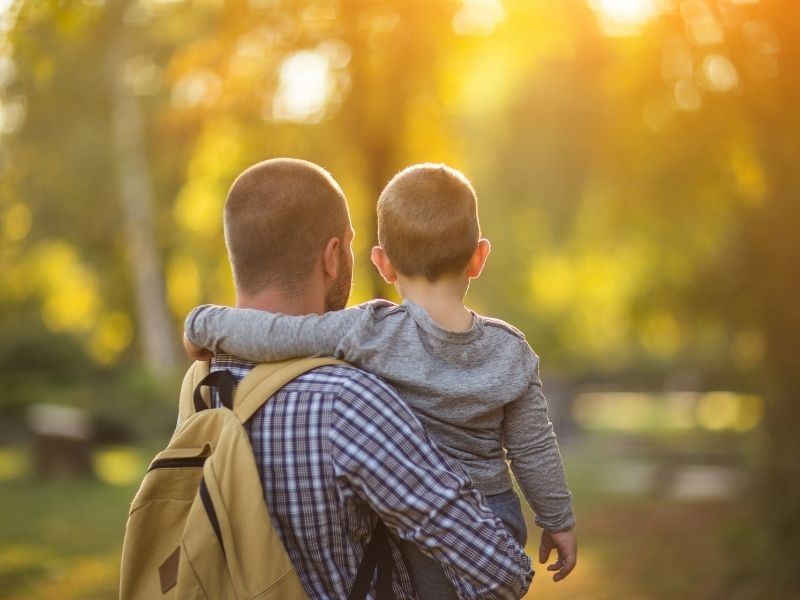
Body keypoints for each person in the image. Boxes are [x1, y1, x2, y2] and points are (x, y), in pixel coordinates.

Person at [185, 163, 577, 599]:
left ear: (384, 264)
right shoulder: (511, 352)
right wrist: (557, 520)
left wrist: (205, 321)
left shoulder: (367, 332)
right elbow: (534, 447)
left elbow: (283, 334)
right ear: (479, 256)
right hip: (494, 515)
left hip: (415, 537)